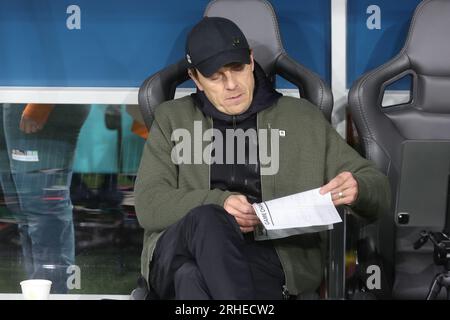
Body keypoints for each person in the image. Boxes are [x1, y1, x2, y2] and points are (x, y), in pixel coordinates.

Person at [134, 17, 391, 300]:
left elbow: (376, 186)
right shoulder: (172, 119)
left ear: (252, 61)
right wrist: (220, 203)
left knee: (191, 278)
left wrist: (358, 188)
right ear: (196, 79)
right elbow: (149, 204)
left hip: (266, 258)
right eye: (216, 76)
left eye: (237, 68)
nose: (231, 84)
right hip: (181, 246)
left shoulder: (301, 118)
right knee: (208, 219)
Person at [0, 103, 90, 293]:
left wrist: (40, 104)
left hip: (38, 101)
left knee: (43, 213)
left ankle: (56, 294)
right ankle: (38, 293)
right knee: (22, 213)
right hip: (11, 98)